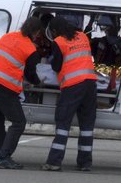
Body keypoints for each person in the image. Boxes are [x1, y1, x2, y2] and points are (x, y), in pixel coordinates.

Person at [0, 16, 45, 169]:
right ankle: (3, 157)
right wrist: (38, 82)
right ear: (36, 33)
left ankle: (2, 154)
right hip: (4, 86)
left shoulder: (7, 36)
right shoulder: (31, 49)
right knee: (19, 122)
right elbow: (30, 74)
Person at [42, 15, 98, 172]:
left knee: (63, 123)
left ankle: (54, 162)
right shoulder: (82, 36)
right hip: (90, 84)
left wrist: (52, 58)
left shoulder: (59, 42)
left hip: (73, 86)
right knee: (87, 125)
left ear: (54, 30)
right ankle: (85, 163)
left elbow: (57, 67)